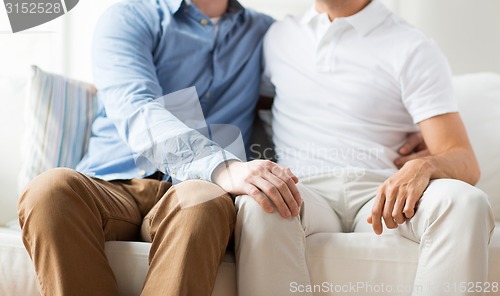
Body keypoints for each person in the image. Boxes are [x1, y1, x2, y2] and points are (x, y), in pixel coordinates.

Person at [16, 0, 301, 295]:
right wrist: (222, 166)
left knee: (201, 200)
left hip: (196, 187)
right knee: (49, 190)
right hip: (111, 183)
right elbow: (136, 108)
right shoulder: (129, 17)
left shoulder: (266, 33)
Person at [234, 0, 496, 296]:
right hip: (304, 191)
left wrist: (424, 165)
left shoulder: (412, 46)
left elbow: (463, 159)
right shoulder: (278, 37)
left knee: (465, 202)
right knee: (259, 202)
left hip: (382, 193)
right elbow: (251, 101)